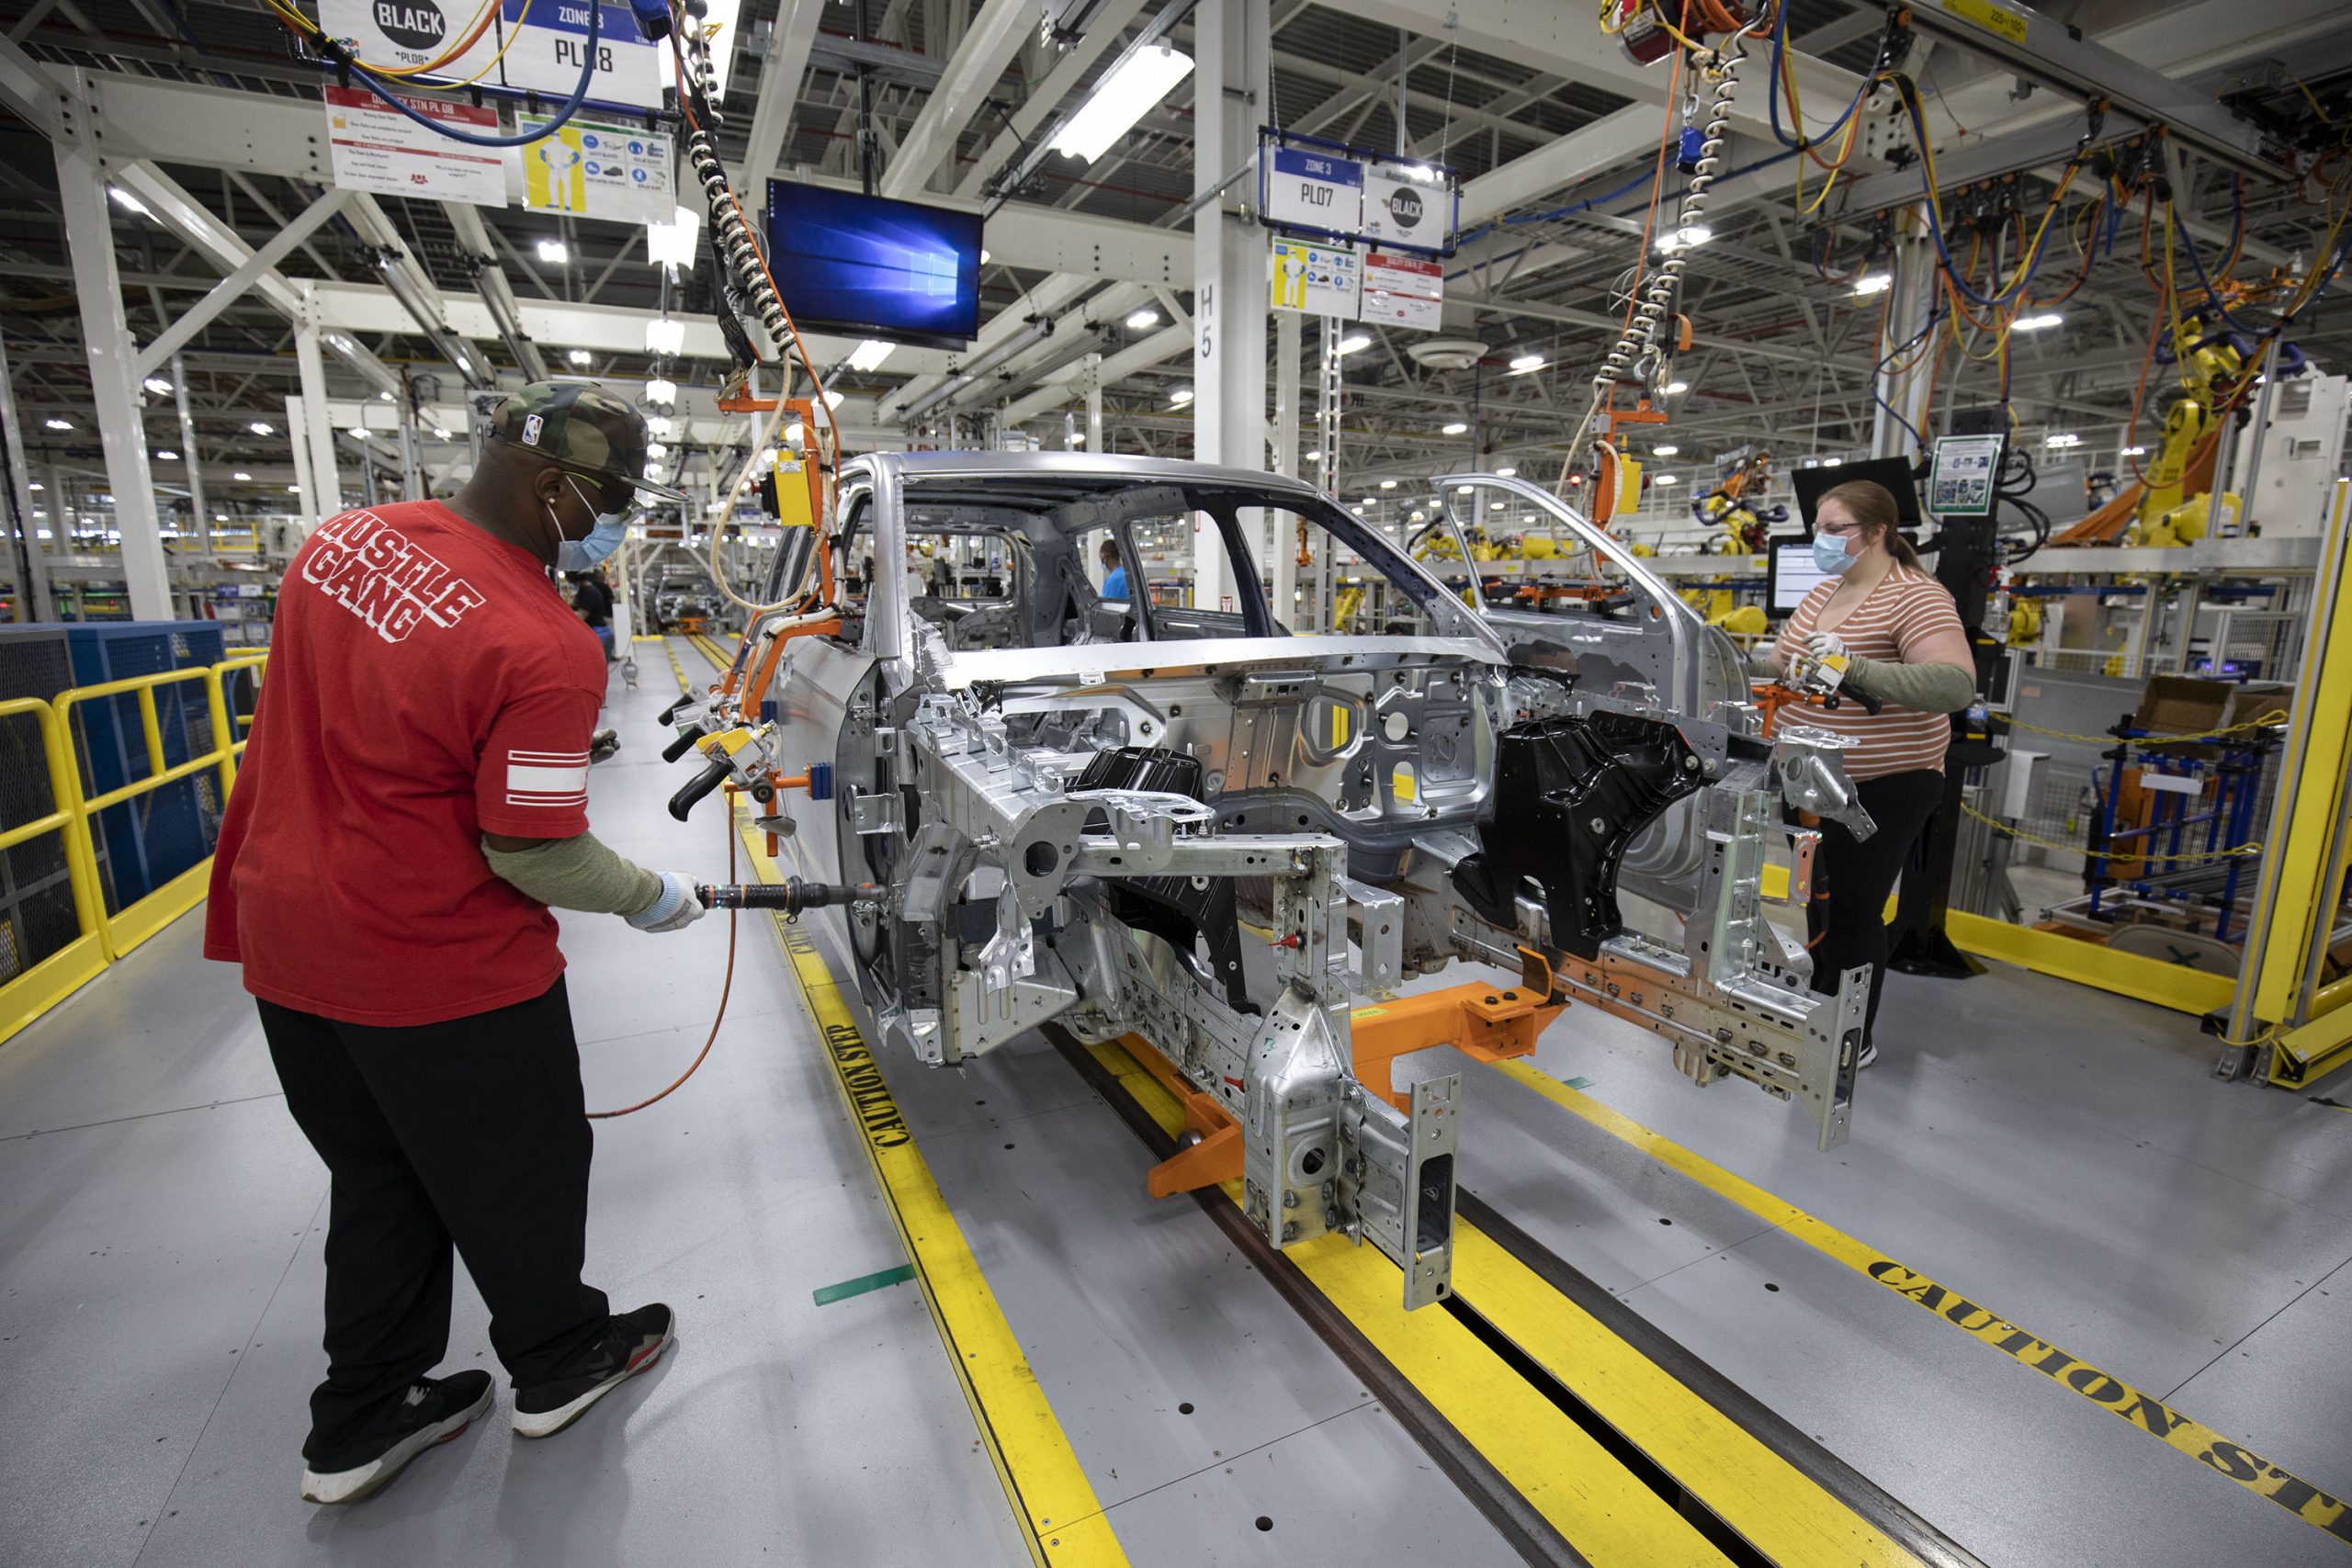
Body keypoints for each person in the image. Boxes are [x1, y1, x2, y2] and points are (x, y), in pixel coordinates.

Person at [205, 382, 706, 1506]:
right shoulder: (541, 643)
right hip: (435, 966)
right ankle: (557, 1358)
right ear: (551, 485)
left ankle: (363, 1418)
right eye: (611, 500)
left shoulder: (337, 545)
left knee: (380, 1175)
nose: (615, 523)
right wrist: (651, 894)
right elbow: (533, 852)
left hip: (288, 939)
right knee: (518, 1170)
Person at [1771, 479, 1975, 1068]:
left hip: (1883, 784)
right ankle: (1821, 1008)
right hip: (1811, 776)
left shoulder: (1916, 597)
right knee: (1819, 903)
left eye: (1836, 528)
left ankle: (1848, 1038)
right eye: (1819, 527)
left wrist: (1854, 667)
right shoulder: (1823, 595)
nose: (1822, 538)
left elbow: (1955, 684)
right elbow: (1784, 664)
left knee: (1856, 910)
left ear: (1878, 532)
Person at [569, 567, 616, 662]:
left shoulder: (589, 592)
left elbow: (582, 615)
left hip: (599, 633)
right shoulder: (583, 591)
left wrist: (562, 612)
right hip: (596, 631)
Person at [1099, 536, 1129, 600]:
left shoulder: (1113, 580)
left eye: (1100, 555)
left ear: (1104, 556)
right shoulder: (1126, 572)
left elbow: (1107, 607)